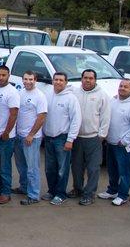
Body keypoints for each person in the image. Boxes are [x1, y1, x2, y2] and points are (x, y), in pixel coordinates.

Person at [98, 79, 130, 206]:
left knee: (124, 171)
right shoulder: (113, 101)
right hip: (110, 143)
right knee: (112, 169)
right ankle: (112, 191)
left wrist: (125, 141)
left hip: (123, 146)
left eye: (126, 87)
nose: (122, 88)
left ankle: (123, 195)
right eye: (121, 86)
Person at [70, 69, 110, 206]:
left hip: (93, 138)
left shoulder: (102, 95)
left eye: (91, 78)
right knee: (76, 166)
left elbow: (105, 117)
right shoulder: (74, 93)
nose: (88, 80)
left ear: (95, 80)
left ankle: (89, 193)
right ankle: (78, 189)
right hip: (77, 137)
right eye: (85, 77)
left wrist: (101, 135)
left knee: (93, 168)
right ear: (81, 79)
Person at [42, 72, 82, 206]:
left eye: (61, 80)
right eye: (56, 79)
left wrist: (70, 139)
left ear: (65, 82)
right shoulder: (48, 94)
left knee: (62, 169)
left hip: (62, 138)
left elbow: (76, 120)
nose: (58, 82)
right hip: (48, 138)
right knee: (49, 168)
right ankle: (51, 191)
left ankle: (60, 194)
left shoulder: (71, 99)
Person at [14, 70, 47, 206]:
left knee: (32, 168)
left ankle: (33, 194)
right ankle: (23, 187)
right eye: (26, 79)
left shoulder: (39, 96)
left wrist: (31, 134)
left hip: (31, 138)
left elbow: (41, 117)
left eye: (31, 79)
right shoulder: (20, 93)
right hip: (19, 135)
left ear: (35, 80)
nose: (28, 82)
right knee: (21, 165)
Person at [0, 65, 19, 205]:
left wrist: (6, 132)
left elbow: (13, 114)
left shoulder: (12, 92)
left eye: (3, 75)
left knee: (4, 166)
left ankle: (5, 192)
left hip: (5, 137)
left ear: (9, 76)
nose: (1, 78)